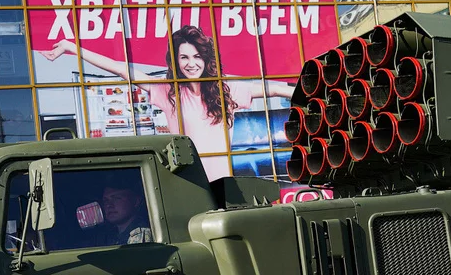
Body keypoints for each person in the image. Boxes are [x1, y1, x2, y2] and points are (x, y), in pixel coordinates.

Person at [40, 25, 294, 180]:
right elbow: (121, 70)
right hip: (190, 179)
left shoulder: (223, 88)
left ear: (205, 59)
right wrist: (72, 48)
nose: (191, 63)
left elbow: (271, 89)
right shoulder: (168, 92)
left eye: (196, 56)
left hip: (225, 181)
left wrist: (300, 91)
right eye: (184, 57)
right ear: (175, 61)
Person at [100, 178, 153, 245]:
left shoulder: (142, 234)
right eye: (105, 200)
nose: (108, 205)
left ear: (136, 201)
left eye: (116, 198)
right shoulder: (108, 234)